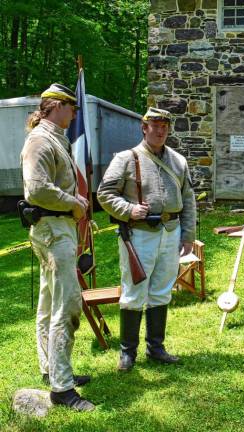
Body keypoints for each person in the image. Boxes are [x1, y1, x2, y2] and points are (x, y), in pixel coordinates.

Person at [97, 106, 196, 372]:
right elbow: (104, 194)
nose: (160, 130)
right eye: (155, 125)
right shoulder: (126, 158)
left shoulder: (178, 161)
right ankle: (128, 352)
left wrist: (188, 234)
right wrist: (128, 210)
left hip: (171, 231)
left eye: (164, 126)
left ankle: (156, 348)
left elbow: (188, 200)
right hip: (139, 233)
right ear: (144, 128)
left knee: (162, 290)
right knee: (134, 291)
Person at [21, 83, 95, 411]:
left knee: (50, 302)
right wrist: (75, 202)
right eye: (71, 107)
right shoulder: (41, 139)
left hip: (55, 226)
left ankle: (52, 369)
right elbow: (37, 189)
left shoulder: (53, 139)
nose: (75, 113)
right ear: (56, 106)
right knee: (67, 304)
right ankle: (62, 389)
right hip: (53, 227)